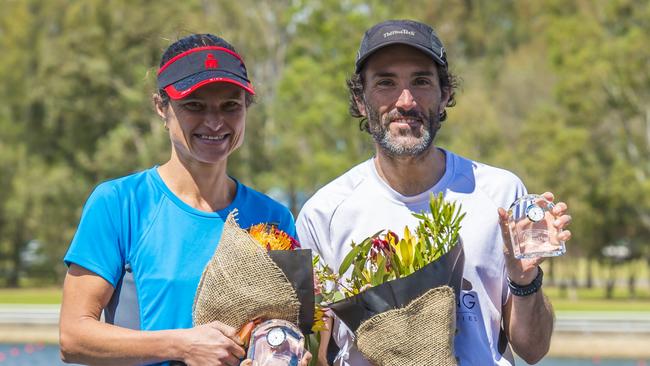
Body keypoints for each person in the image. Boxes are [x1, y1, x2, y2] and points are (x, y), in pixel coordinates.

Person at [296, 20, 572, 365]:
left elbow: (533, 350)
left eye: (421, 81)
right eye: (386, 83)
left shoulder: (500, 194)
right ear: (361, 100)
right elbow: (319, 352)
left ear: (444, 96)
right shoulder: (324, 213)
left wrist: (525, 278)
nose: (406, 100)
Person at [60, 34, 310, 366]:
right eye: (194, 105)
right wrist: (182, 345)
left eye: (230, 106)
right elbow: (73, 337)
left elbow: (291, 328)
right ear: (161, 107)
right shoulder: (119, 203)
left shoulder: (274, 217)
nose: (215, 122)